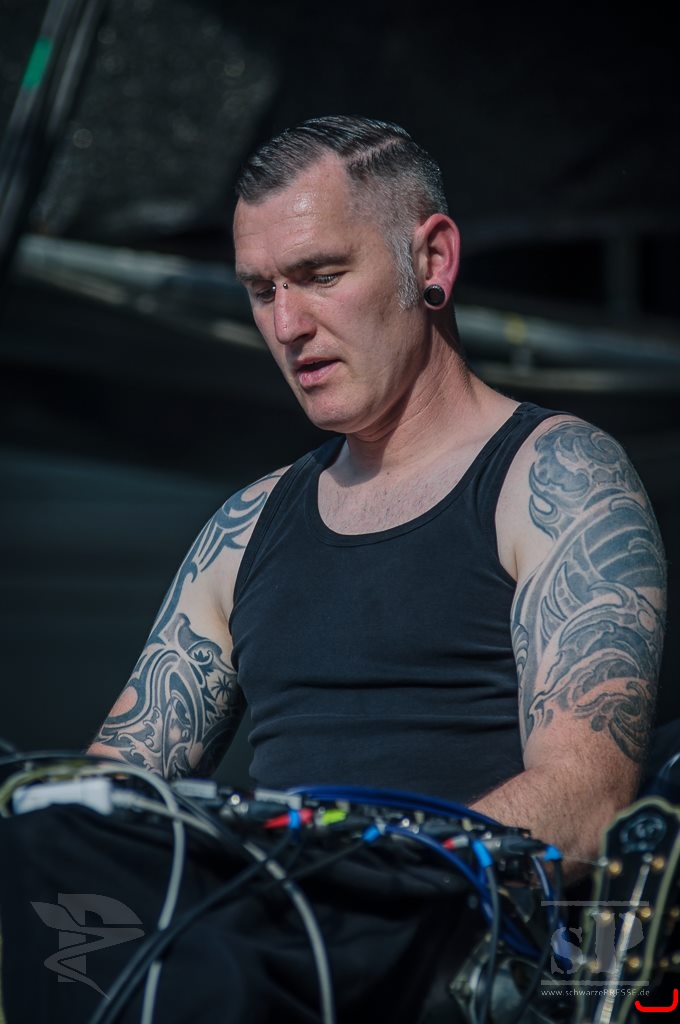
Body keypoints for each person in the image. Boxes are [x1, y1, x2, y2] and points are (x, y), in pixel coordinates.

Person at [87, 115, 666, 878]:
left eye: (322, 275)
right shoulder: (247, 524)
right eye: (261, 290)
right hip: (274, 942)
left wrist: (341, 890)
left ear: (432, 259)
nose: (287, 324)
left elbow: (584, 805)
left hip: (454, 946)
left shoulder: (558, 474)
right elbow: (106, 801)